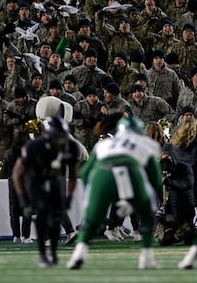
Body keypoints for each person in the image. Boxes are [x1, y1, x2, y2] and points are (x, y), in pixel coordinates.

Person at [66, 114, 162, 270]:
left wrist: (94, 195)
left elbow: (84, 173)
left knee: (90, 221)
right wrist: (139, 198)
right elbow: (155, 179)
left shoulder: (104, 144)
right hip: (131, 172)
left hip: (102, 174)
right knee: (147, 214)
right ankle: (147, 258)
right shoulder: (147, 144)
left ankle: (78, 255)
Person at [12, 116, 80, 267]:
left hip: (55, 178)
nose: (60, 140)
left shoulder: (71, 147)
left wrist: (68, 197)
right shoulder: (35, 147)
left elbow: (73, 176)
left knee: (56, 216)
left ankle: (53, 253)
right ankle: (43, 254)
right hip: (34, 180)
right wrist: (23, 199)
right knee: (42, 212)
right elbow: (17, 173)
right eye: (57, 136)